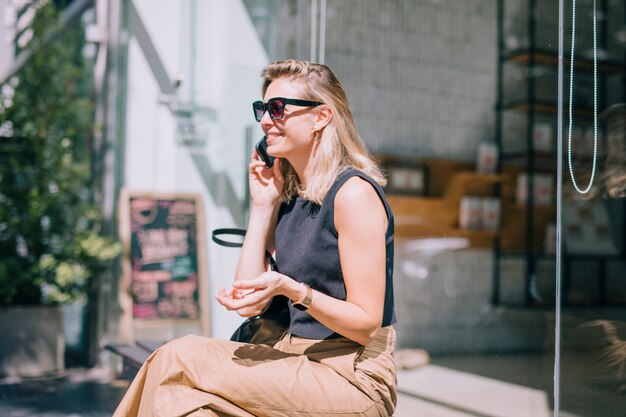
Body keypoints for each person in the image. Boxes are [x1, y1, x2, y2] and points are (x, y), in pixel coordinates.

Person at [112, 59, 397, 417]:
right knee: (187, 409)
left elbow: (366, 324)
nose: (265, 120)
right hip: (292, 361)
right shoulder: (290, 198)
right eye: (262, 108)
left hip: (350, 377)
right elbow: (248, 302)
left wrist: (294, 291)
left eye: (278, 108)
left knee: (177, 356)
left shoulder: (352, 194)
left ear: (322, 116)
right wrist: (262, 207)